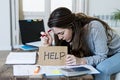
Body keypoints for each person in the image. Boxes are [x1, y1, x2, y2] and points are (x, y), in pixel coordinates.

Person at [40, 7, 120, 80]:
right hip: (107, 54)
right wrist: (48, 46)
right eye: (57, 34)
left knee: (102, 68)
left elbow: (102, 57)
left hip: (117, 52)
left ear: (71, 26)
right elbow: (63, 56)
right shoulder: (70, 34)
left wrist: (81, 60)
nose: (60, 37)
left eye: (62, 33)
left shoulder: (94, 28)